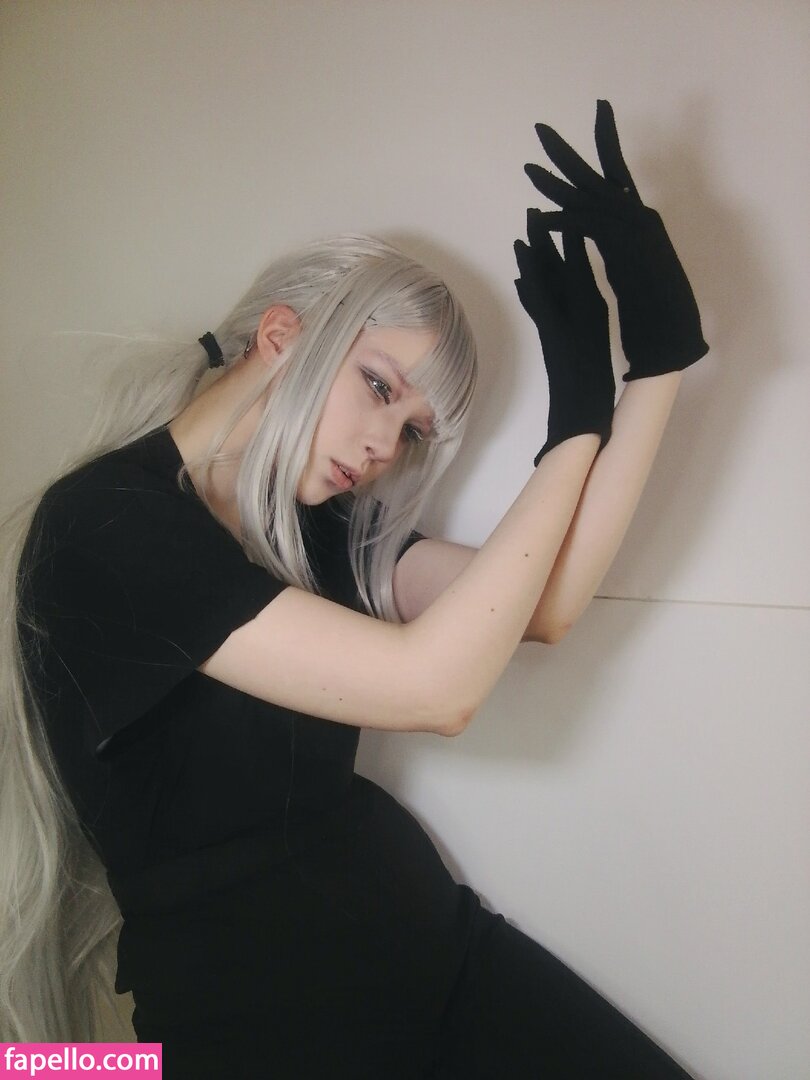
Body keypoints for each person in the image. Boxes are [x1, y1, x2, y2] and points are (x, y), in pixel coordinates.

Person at [0, 102, 707, 1078]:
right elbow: (437, 688)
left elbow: (540, 606)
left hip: (440, 959)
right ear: (281, 336)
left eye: (411, 429)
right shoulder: (106, 524)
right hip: (272, 1036)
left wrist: (657, 367)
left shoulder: (317, 531)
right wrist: (576, 421)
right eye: (380, 386)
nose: (383, 447)